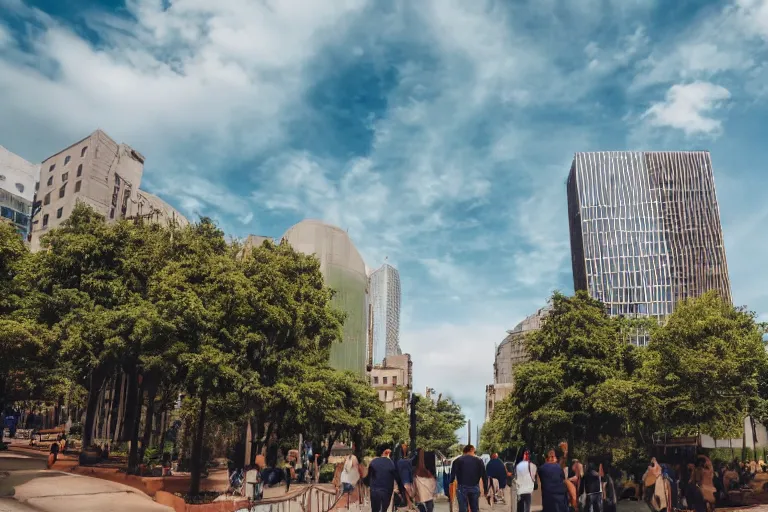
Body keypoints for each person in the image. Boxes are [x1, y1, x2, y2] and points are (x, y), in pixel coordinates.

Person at [367, 444, 407, 512]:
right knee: (383, 510)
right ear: (387, 453)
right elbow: (397, 478)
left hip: (374, 491)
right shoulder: (391, 463)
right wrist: (402, 491)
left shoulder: (373, 462)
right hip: (386, 492)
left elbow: (368, 478)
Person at [451, 444, 488, 512]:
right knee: (474, 509)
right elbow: (484, 476)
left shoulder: (457, 461)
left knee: (462, 509)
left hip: (462, 487)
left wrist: (450, 487)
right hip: (474, 486)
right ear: (471, 450)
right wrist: (486, 489)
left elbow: (452, 477)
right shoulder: (479, 461)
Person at [538, 446, 568, 512]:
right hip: (561, 500)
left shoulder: (541, 469)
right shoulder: (559, 468)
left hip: (547, 500)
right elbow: (564, 480)